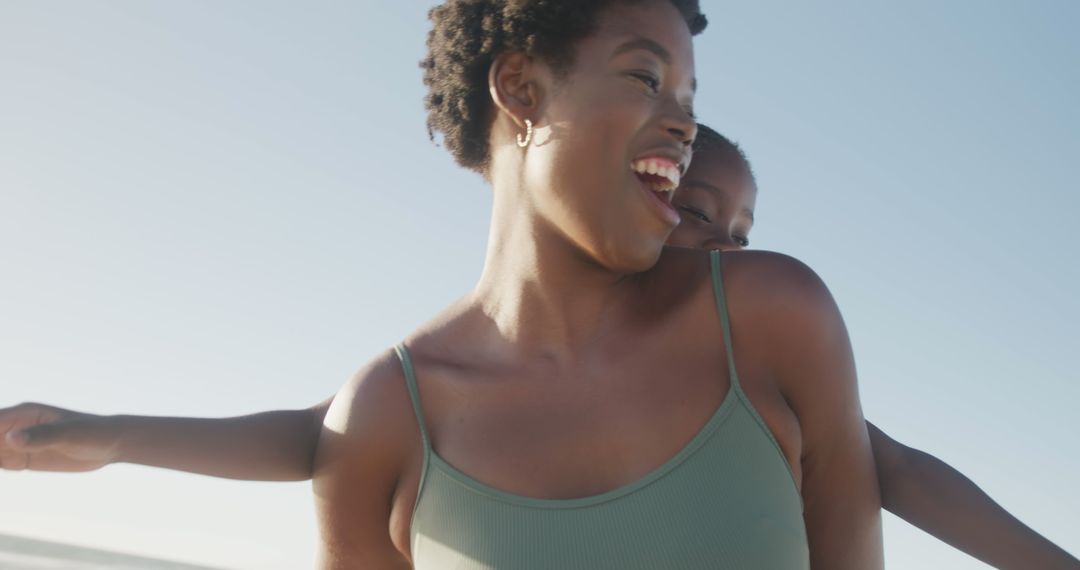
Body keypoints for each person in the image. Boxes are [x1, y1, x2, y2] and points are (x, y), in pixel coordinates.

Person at [6, 1, 890, 568]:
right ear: (520, 88)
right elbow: (311, 434)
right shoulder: (390, 412)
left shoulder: (775, 321)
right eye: (644, 76)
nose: (684, 122)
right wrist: (113, 435)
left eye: (690, 98)